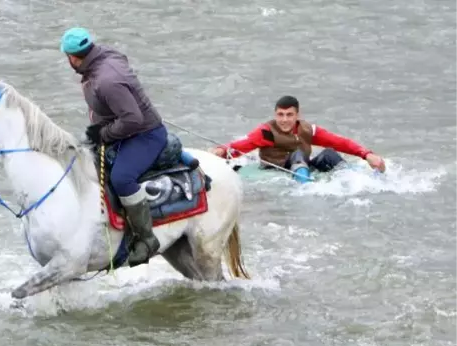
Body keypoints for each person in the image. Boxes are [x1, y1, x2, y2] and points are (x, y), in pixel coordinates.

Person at [60, 26, 167, 267]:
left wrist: (103, 133)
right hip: (122, 129)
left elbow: (133, 119)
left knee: (121, 178)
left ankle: (146, 238)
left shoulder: (107, 81)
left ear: (72, 57)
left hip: (145, 135)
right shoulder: (104, 54)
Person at [210, 95, 385, 182]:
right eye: (280, 114)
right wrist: (221, 151)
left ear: (297, 115)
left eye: (289, 115)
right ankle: (306, 188)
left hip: (303, 166)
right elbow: (240, 146)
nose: (284, 120)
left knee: (330, 153)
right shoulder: (266, 132)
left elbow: (340, 142)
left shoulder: (308, 129)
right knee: (298, 154)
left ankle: (357, 181)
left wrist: (367, 154)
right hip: (279, 168)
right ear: (275, 114)